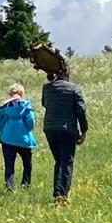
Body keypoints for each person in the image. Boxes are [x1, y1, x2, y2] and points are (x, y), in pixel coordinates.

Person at [41, 67, 88, 201]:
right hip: (68, 129)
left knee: (59, 160)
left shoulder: (47, 88)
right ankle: (62, 195)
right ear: (67, 73)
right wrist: (84, 130)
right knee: (66, 161)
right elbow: (81, 110)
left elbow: (44, 104)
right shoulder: (74, 89)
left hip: (50, 128)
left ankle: (57, 192)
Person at [0, 83, 37, 190]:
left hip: (7, 139)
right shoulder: (26, 107)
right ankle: (26, 185)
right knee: (27, 163)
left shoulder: (4, 109)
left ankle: (10, 188)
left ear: (10, 94)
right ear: (22, 93)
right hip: (24, 139)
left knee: (9, 165)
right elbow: (30, 123)